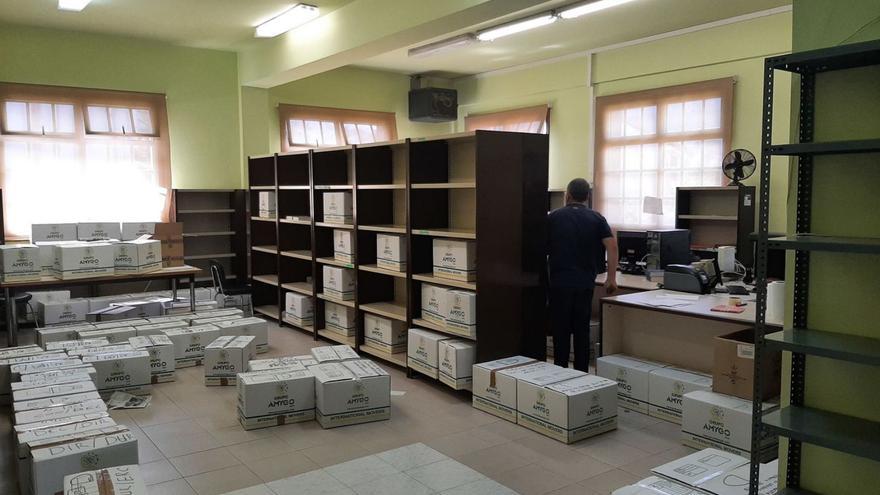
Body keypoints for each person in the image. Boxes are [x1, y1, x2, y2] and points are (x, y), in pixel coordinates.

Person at [547, 178, 618, 372]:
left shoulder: (553, 217)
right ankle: (581, 373)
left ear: (567, 195)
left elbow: (540, 247)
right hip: (585, 283)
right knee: (581, 329)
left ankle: (559, 372)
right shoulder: (597, 218)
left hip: (560, 282)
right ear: (587, 197)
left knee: (561, 329)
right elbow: (611, 246)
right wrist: (611, 278)